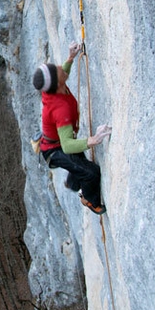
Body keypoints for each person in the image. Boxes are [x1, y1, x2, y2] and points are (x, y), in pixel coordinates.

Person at [32, 42, 111, 215]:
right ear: (58, 84)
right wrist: (93, 140)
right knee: (91, 172)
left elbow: (61, 74)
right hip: (55, 150)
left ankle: (72, 183)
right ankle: (90, 201)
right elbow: (67, 146)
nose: (62, 69)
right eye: (59, 70)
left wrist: (70, 57)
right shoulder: (60, 109)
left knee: (78, 164)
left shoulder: (52, 87)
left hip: (56, 141)